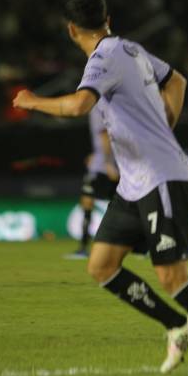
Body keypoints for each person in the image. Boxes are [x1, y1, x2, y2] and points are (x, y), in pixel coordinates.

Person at [13, 0, 188, 376]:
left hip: (162, 177)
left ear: (71, 30)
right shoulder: (131, 50)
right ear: (108, 17)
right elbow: (177, 81)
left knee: (172, 276)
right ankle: (178, 325)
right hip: (133, 184)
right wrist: (164, 126)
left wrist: (32, 101)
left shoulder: (104, 58)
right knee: (102, 265)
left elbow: (77, 106)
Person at [66, 104, 119, 259]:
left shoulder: (98, 106)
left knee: (88, 202)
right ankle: (139, 246)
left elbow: (104, 135)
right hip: (109, 164)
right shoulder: (112, 105)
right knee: (119, 205)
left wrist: (107, 162)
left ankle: (83, 247)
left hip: (103, 168)